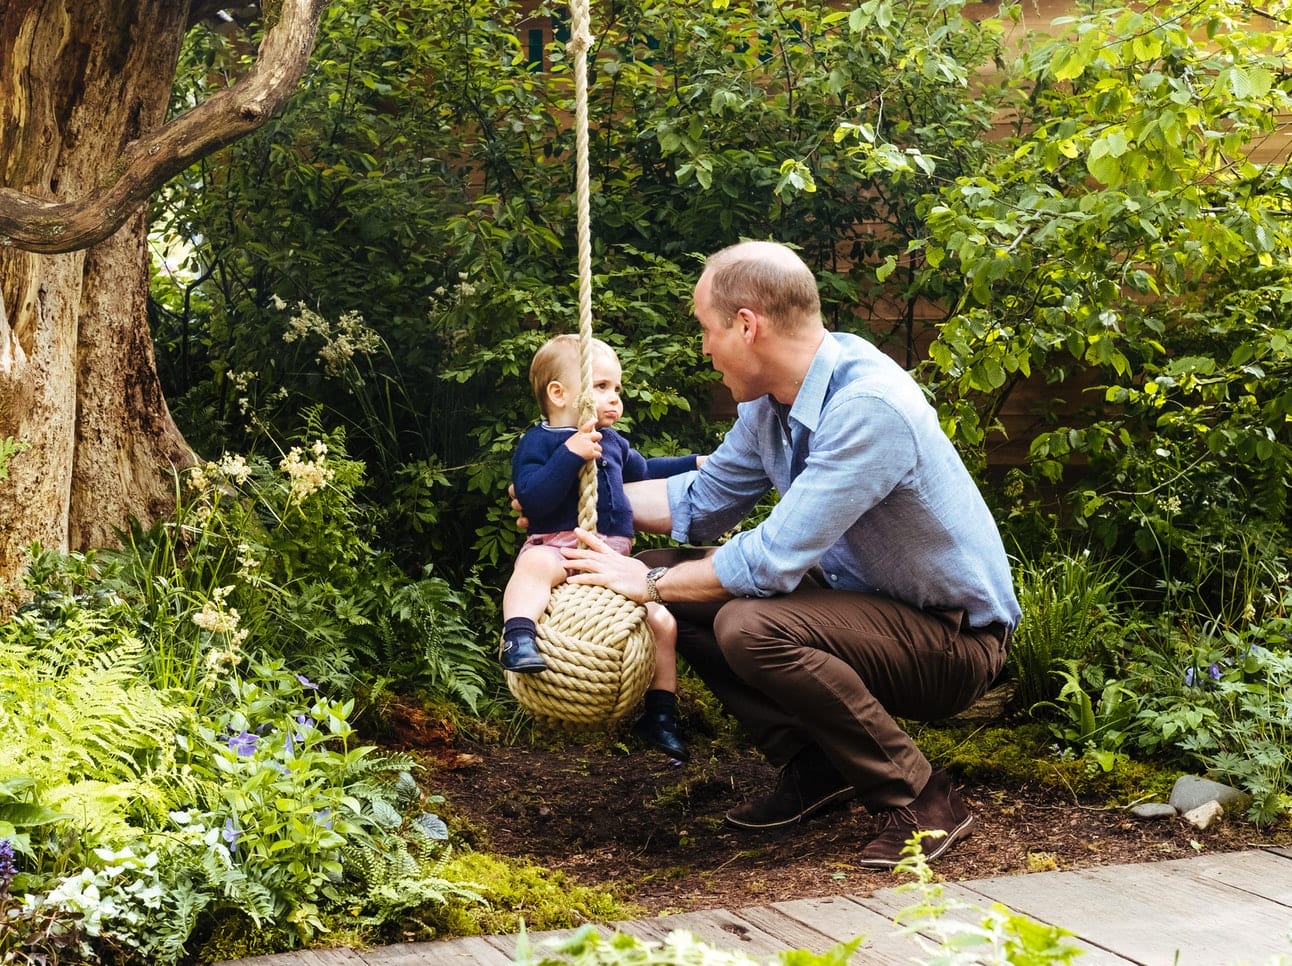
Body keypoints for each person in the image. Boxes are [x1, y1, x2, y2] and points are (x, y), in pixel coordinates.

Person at [556, 240, 1021, 868]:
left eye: (706, 330)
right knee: (673, 575)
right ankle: (817, 765)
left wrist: (649, 585)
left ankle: (921, 800)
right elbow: (706, 497)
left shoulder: (868, 408)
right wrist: (568, 494)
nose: (704, 349)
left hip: (953, 643)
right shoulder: (771, 404)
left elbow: (772, 560)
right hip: (864, 613)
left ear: (746, 325)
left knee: (745, 623)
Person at [501, 333, 703, 761]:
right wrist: (570, 454)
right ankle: (518, 637)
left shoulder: (611, 441)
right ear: (558, 393)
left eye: (617, 389)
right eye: (601, 386)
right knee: (534, 563)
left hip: (612, 560)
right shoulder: (539, 443)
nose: (615, 399)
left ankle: (660, 714)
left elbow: (645, 470)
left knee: (662, 622)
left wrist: (694, 463)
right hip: (560, 548)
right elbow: (533, 498)